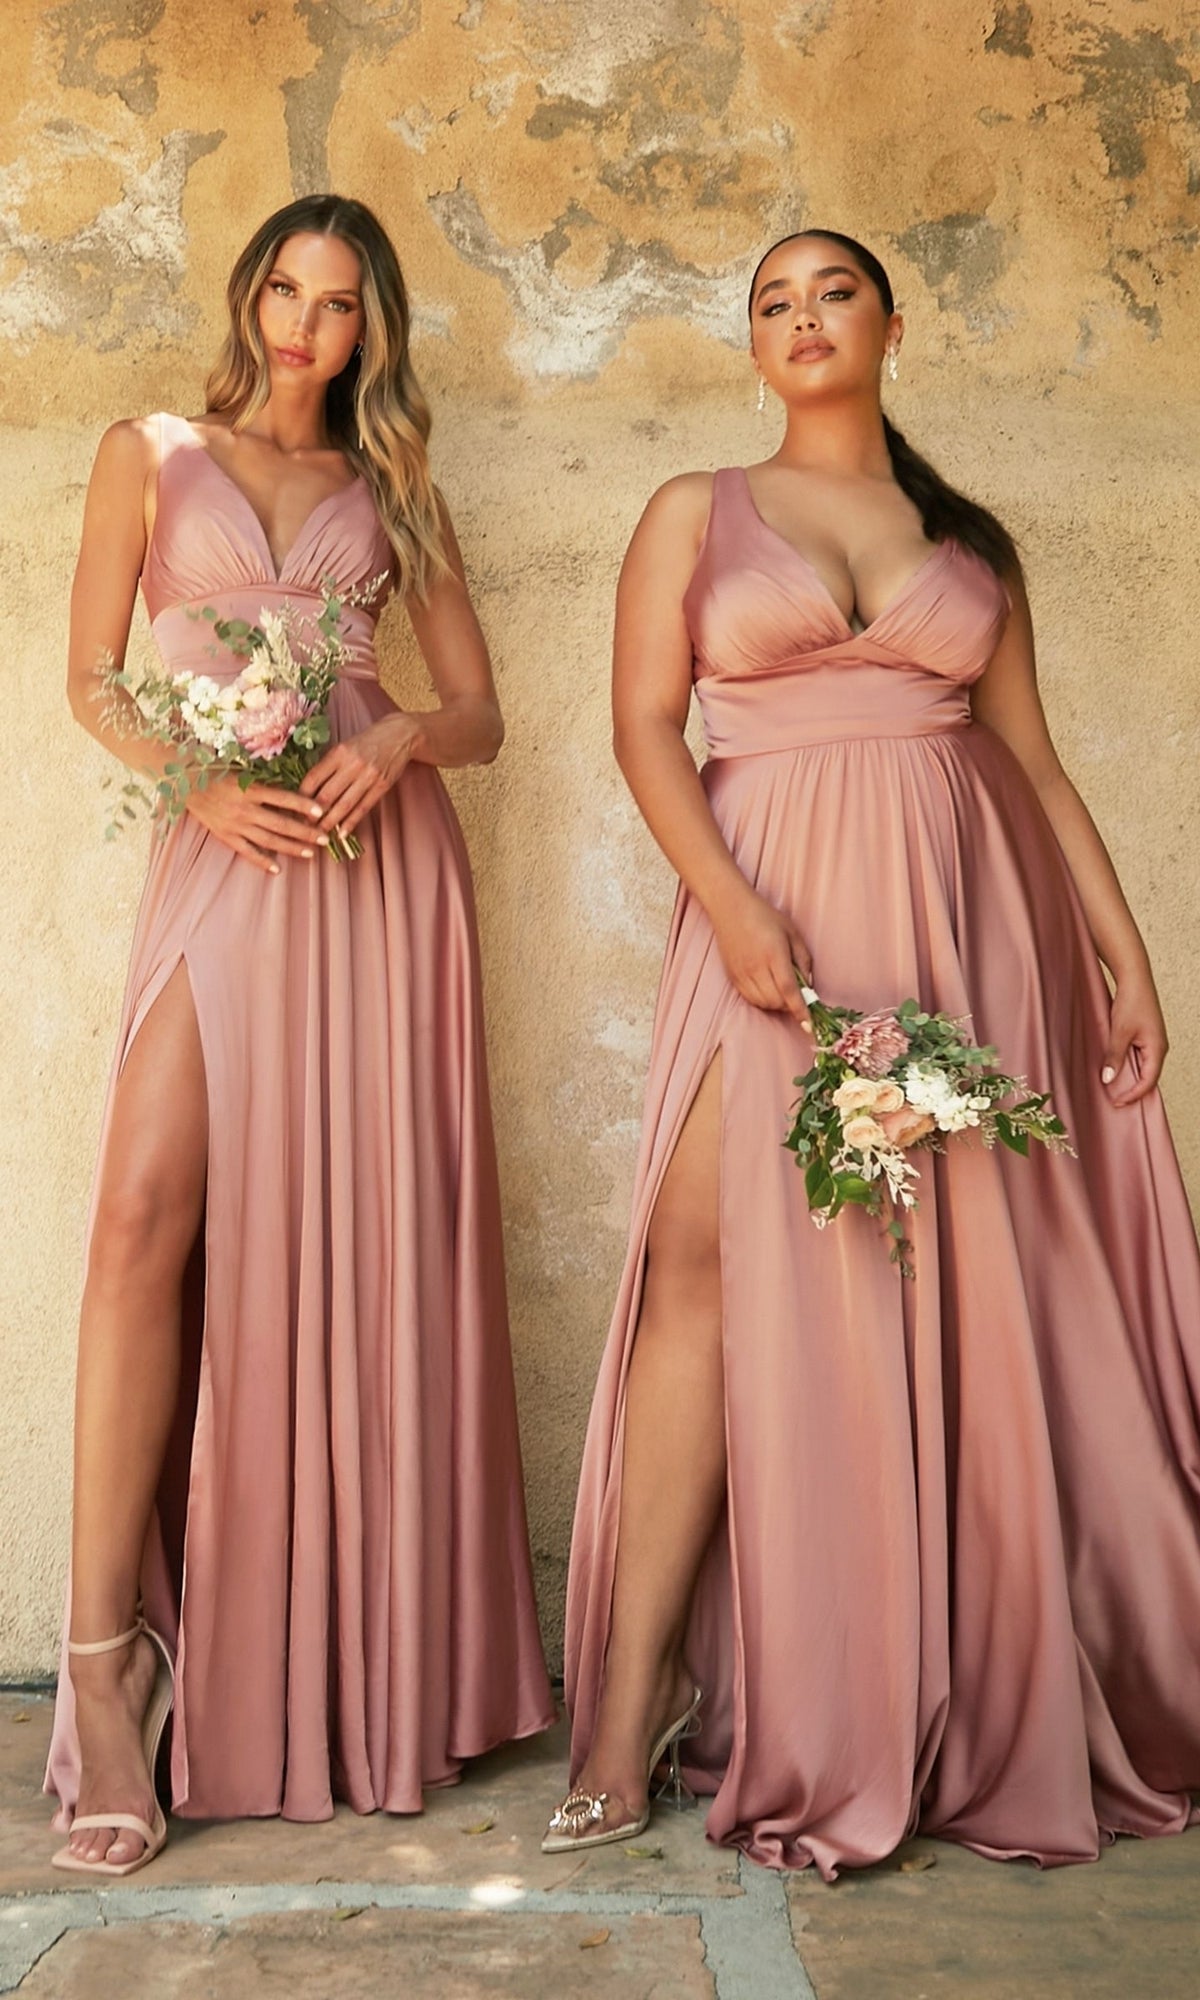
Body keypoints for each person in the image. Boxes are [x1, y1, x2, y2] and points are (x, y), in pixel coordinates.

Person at [550, 229, 1200, 1874]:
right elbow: (642, 727)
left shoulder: (969, 544)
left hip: (961, 925)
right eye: (772, 302)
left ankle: (930, 1674)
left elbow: (1033, 764)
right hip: (765, 911)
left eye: (831, 291)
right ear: (753, 347)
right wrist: (732, 908)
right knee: (703, 1261)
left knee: (947, 1281)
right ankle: (632, 1705)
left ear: (892, 326)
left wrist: (1122, 955)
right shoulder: (693, 510)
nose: (802, 317)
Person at [47, 193, 553, 1876]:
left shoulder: (394, 485)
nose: (303, 327)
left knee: (351, 1253)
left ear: (370, 331)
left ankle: (347, 1663)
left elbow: (480, 712)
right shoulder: (150, 450)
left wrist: (398, 734)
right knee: (141, 1223)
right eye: (284, 290)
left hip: (372, 879)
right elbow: (93, 680)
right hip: (225, 852)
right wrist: (196, 781)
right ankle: (107, 1668)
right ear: (248, 292)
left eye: (339, 306)